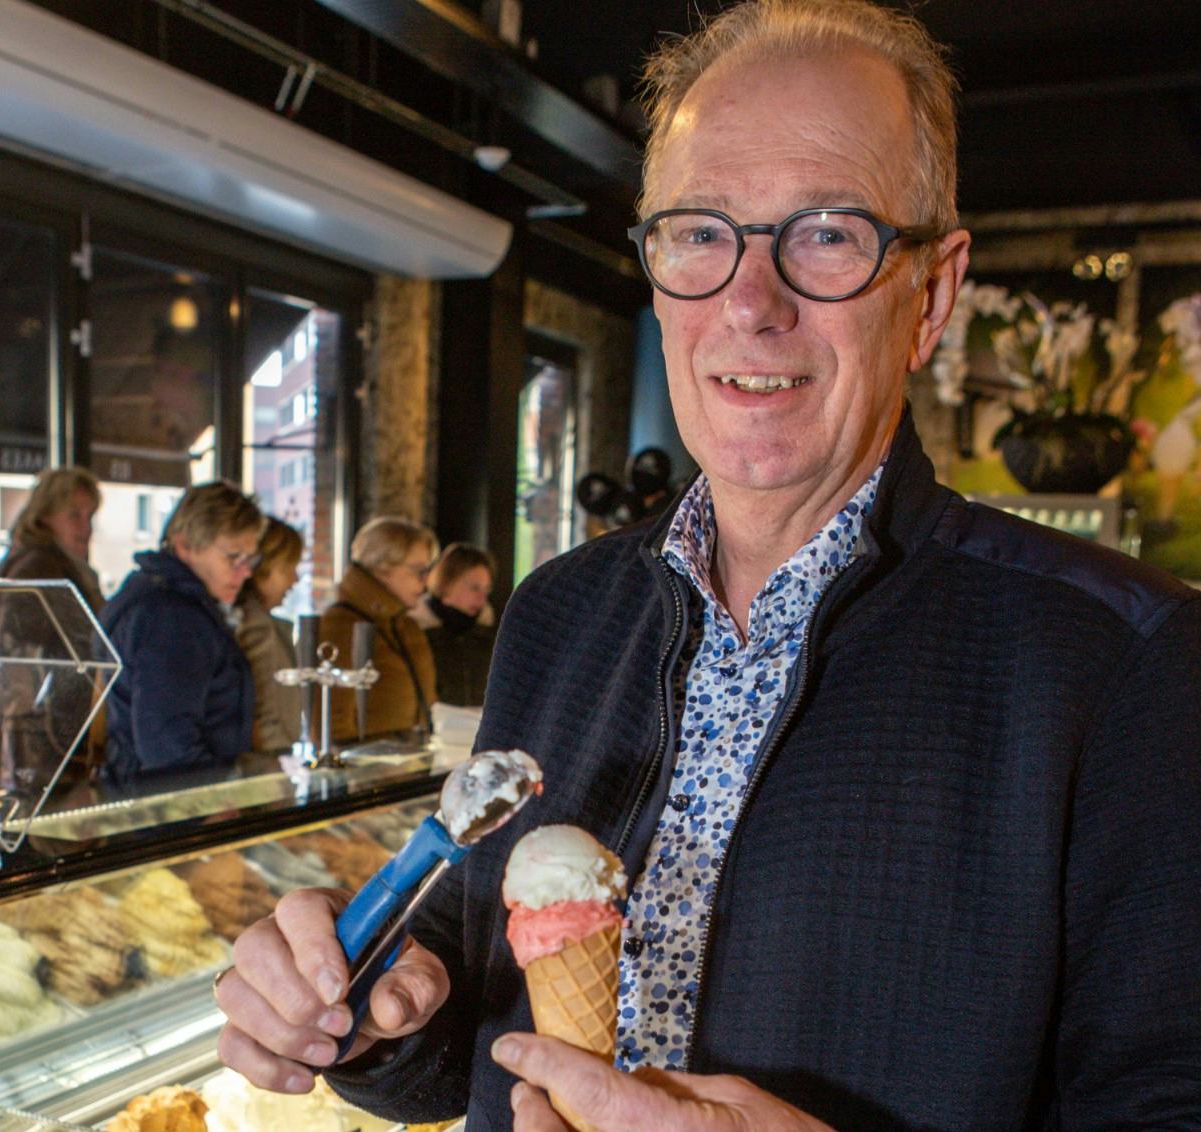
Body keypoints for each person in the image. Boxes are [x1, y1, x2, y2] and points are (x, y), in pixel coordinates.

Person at [213, 3, 1201, 1129]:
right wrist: (367, 1006)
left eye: (828, 233)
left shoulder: (1126, 663)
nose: (749, 302)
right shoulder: (558, 612)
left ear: (929, 294)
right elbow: (467, 1017)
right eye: (699, 233)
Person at [100, 481, 263, 788]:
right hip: (170, 809)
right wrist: (212, 807)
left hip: (138, 796)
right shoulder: (173, 617)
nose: (246, 572)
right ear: (185, 546)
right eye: (233, 557)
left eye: (250, 559)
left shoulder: (151, 594)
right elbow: (166, 744)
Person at [0, 467, 104, 795]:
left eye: (90, 516)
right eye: (74, 516)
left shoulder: (56, 566)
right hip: (45, 744)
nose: (86, 528)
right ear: (46, 516)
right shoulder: (39, 569)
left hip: (57, 736)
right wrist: (24, 758)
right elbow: (15, 668)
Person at [319, 517, 438, 744]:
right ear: (382, 567)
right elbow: (331, 727)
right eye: (417, 570)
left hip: (410, 764)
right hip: (370, 772)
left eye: (427, 571)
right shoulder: (341, 625)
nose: (425, 582)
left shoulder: (405, 626)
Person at [236, 517, 306, 753]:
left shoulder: (259, 622)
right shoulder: (254, 626)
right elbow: (263, 711)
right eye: (288, 568)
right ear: (262, 567)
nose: (295, 580)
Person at [410, 543, 497, 708]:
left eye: (486, 590)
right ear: (446, 584)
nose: (482, 598)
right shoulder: (416, 635)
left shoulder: (490, 638)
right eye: (474, 588)